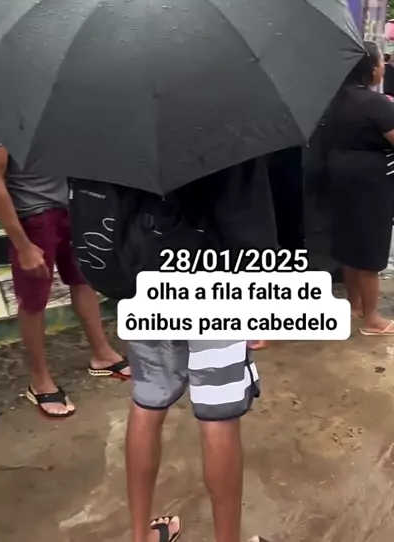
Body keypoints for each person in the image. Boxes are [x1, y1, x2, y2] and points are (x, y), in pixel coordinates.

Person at [126, 157, 277, 542]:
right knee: (218, 415)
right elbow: (246, 210)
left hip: (147, 279)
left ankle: (141, 537)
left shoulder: (116, 127)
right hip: (214, 283)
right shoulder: (229, 129)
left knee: (147, 405)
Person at [0, 136, 129, 419]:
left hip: (71, 207)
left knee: (83, 280)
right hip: (33, 216)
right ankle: (39, 381)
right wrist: (22, 245)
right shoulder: (3, 120)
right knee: (33, 300)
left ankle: (102, 354)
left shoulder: (55, 112)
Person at [324, 42, 394, 336]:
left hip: (340, 177)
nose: (382, 69)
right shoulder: (375, 103)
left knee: (349, 245)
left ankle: (355, 306)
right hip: (371, 183)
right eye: (380, 64)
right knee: (369, 249)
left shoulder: (332, 100)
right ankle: (373, 320)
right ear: (372, 69)